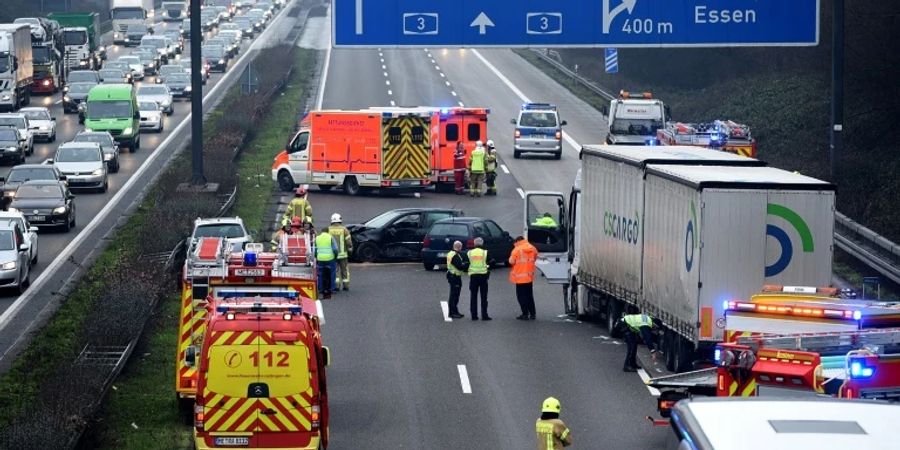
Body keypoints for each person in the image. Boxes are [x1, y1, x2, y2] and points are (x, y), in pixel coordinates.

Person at [509, 236, 538, 320]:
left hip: (519, 277)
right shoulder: (532, 248)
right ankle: (533, 314)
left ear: (517, 241)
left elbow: (511, 261)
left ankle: (525, 313)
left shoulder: (517, 250)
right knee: (529, 295)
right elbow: (535, 256)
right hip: (529, 275)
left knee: (521, 296)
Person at [467, 237, 491, 320]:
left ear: (474, 244)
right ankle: (484, 315)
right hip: (483, 276)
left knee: (473, 296)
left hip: (473, 276)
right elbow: (490, 262)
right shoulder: (485, 252)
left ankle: (474, 315)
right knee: (484, 297)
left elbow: (467, 263)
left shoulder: (469, 253)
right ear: (482, 243)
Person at [328, 213, 353, 291]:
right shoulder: (344, 229)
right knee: (344, 270)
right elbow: (348, 242)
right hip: (343, 255)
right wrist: (350, 250)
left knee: (335, 270)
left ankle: (336, 286)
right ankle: (346, 286)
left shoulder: (329, 230)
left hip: (333, 255)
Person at [446, 240, 468, 319]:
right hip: (454, 276)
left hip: (452, 275)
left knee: (454, 294)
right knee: (454, 295)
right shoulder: (455, 255)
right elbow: (459, 266)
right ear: (459, 247)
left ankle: (454, 311)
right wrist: (466, 265)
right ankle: (452, 312)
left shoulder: (450, 253)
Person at [314, 229, 339, 299]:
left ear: (321, 232)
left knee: (320, 274)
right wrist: (335, 257)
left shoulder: (317, 238)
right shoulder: (330, 237)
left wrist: (317, 256)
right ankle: (332, 289)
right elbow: (335, 249)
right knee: (332, 274)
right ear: (328, 231)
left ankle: (321, 289)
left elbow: (315, 250)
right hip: (330, 259)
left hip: (320, 259)